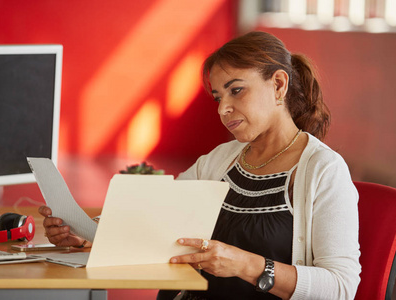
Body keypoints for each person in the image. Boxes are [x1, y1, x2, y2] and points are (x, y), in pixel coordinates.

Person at [39, 31, 361, 299]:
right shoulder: (220, 160)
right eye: (219, 97)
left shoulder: (323, 170)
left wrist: (246, 265)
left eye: (237, 90)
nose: (224, 109)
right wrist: (86, 234)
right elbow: (154, 219)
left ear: (278, 84)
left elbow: (342, 287)